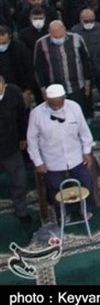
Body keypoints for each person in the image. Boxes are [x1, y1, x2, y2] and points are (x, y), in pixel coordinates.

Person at [27, 83, 95, 220]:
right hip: (52, 159)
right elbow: (32, 140)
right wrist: (38, 162)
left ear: (64, 98)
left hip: (75, 156)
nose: (57, 107)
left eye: (60, 103)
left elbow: (84, 132)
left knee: (86, 182)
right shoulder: (37, 114)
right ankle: (64, 213)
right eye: (53, 104)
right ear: (47, 100)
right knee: (55, 188)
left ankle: (85, 208)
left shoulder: (74, 107)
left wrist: (87, 152)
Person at [32, 20, 94, 119]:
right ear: (49, 32)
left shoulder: (77, 39)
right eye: (55, 36)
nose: (58, 38)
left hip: (77, 86)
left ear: (64, 29)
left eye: (60, 35)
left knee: (79, 116)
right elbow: (38, 68)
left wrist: (87, 83)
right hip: (54, 89)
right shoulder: (41, 43)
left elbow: (86, 62)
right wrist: (43, 88)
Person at [0, 76, 32, 223]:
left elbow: (21, 116)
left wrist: (22, 137)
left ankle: (21, 210)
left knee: (19, 180)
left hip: (11, 146)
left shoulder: (13, 92)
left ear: (4, 85)